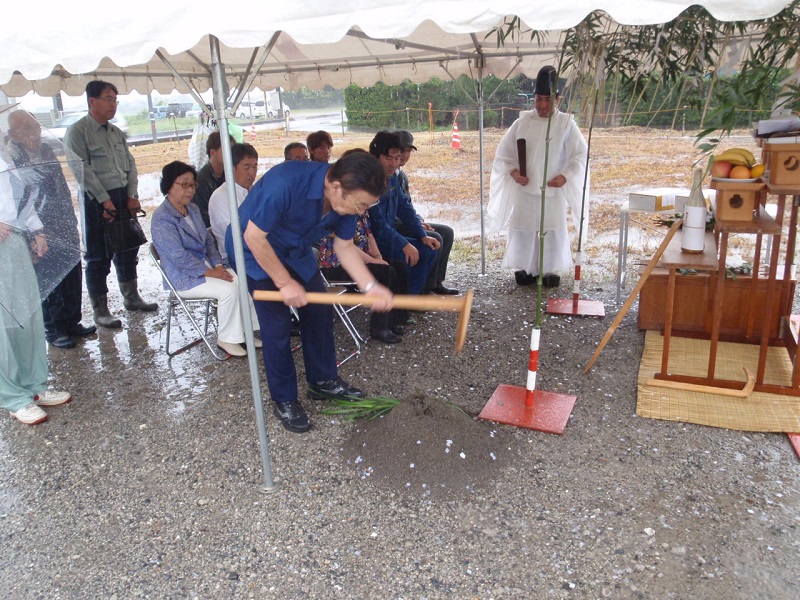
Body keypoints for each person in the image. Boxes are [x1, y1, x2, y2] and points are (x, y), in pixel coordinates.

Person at [227, 152, 392, 433]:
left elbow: (344, 246)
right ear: (336, 187)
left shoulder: (345, 202)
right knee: (277, 325)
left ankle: (323, 382)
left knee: (319, 309)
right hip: (254, 252)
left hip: (296, 251)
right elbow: (253, 237)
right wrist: (283, 282)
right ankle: (285, 399)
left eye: (368, 205)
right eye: (361, 204)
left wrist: (370, 286)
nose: (362, 211)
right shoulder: (287, 182)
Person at [63, 80, 158, 328]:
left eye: (115, 99)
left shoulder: (115, 132)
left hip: (122, 196)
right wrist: (104, 199)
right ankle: (101, 310)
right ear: (92, 101)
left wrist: (132, 193)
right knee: (98, 255)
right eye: (108, 98)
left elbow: (131, 164)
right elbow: (80, 170)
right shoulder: (78, 131)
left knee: (128, 247)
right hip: (96, 199)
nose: (113, 104)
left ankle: (131, 297)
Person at [487, 65, 589, 288]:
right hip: (526, 190)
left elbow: (580, 155)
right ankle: (525, 268)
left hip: (551, 191)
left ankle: (550, 270)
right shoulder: (522, 122)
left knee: (551, 229)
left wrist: (565, 176)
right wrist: (514, 172)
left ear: (558, 100)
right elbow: (504, 154)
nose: (543, 105)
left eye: (548, 99)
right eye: (539, 99)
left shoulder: (566, 124)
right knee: (524, 229)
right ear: (534, 98)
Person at [151, 161, 261, 358]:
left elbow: (209, 241)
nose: (190, 190)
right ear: (168, 185)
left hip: (208, 268)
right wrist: (211, 272)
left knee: (245, 280)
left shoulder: (192, 209)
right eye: (184, 184)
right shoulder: (162, 218)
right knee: (229, 289)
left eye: (192, 184)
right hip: (184, 278)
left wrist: (218, 264)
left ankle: (245, 332)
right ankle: (227, 338)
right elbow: (177, 256)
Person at [6, 111, 95, 349]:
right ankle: (53, 329)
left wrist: (69, 216)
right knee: (49, 275)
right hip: (36, 225)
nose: (34, 134)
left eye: (36, 128)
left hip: (62, 218)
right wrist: (35, 230)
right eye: (27, 130)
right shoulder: (11, 157)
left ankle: (72, 321)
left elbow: (60, 183)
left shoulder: (46, 149)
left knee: (72, 271)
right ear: (13, 134)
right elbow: (20, 198)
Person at [0, 153, 72, 425]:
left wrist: (38, 230)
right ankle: (11, 395)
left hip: (14, 244)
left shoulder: (4, 158)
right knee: (2, 324)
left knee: (27, 317)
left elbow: (22, 200)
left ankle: (34, 386)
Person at [367, 131, 439, 295]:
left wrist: (422, 235)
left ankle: (410, 299)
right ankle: (401, 304)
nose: (394, 163)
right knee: (410, 254)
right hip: (371, 241)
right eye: (388, 158)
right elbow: (377, 225)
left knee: (428, 247)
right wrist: (404, 244)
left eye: (397, 158)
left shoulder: (392, 177)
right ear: (375, 157)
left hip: (387, 236)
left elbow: (404, 207)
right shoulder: (368, 181)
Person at [393, 130, 459, 295]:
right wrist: (417, 227)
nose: (405, 155)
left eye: (408, 151)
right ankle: (424, 287)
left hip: (406, 222)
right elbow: (393, 213)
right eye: (402, 150)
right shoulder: (387, 175)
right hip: (394, 226)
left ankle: (437, 281)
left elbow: (407, 205)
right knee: (435, 238)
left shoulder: (401, 175)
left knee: (447, 232)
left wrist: (419, 220)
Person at [208, 143, 258, 263]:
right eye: (246, 167)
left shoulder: (255, 190)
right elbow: (237, 238)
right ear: (231, 168)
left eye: (255, 166)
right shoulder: (221, 197)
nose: (252, 173)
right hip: (236, 260)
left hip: (260, 251)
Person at [192, 130, 232, 228]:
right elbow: (204, 218)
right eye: (228, 150)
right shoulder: (200, 180)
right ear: (213, 152)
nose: (232, 154)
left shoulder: (230, 175)